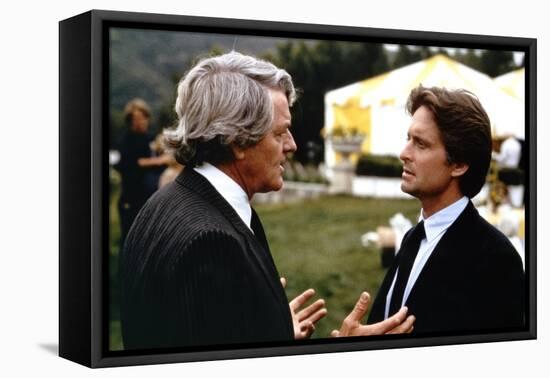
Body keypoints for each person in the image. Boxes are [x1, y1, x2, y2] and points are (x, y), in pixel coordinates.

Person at [119, 52, 414, 350]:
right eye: (280, 132)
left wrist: (267, 329)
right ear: (236, 140)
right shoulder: (211, 244)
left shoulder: (164, 203)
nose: (292, 145)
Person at [362, 86, 525, 335]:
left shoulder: (496, 260)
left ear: (459, 164)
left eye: (421, 144)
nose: (404, 153)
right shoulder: (413, 237)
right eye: (408, 139)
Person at [114, 98, 168, 244]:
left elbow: (162, 164)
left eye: (144, 117)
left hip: (150, 199)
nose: (141, 121)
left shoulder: (151, 138)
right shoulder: (126, 140)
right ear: (129, 120)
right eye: (136, 118)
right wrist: (158, 160)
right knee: (129, 240)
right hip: (131, 199)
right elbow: (131, 163)